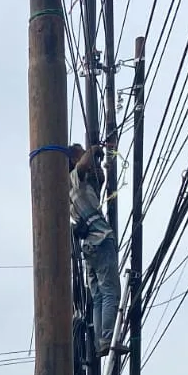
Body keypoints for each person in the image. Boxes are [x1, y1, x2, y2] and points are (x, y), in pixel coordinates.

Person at [69, 142, 121, 359]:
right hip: (100, 240)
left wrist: (100, 168)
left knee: (98, 296)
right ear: (74, 159)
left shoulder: (81, 188)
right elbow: (83, 165)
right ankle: (107, 338)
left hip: (89, 248)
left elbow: (98, 178)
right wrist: (94, 149)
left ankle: (102, 341)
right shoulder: (74, 179)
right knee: (110, 292)